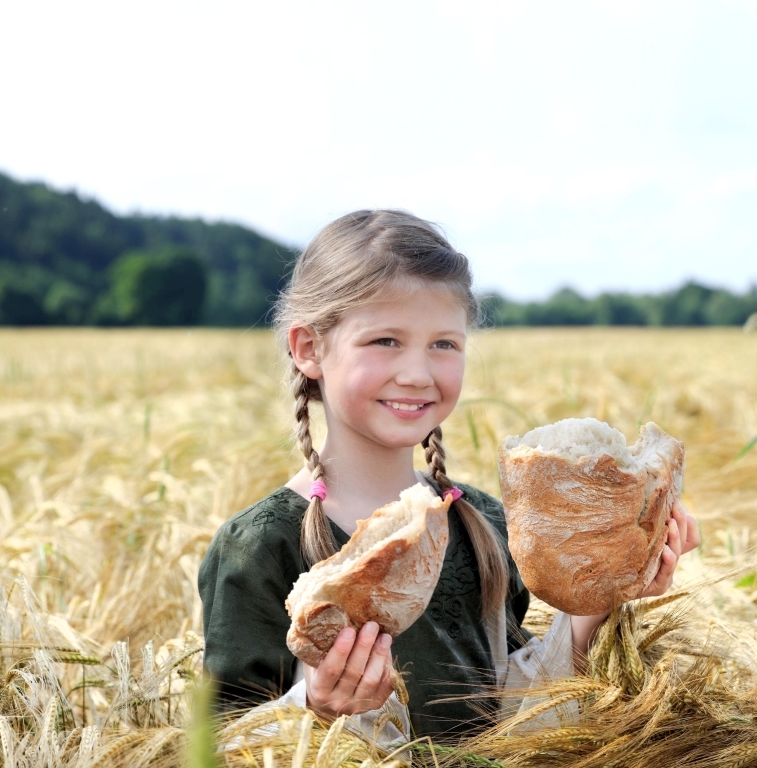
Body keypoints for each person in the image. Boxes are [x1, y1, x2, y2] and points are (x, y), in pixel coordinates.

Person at [198, 209, 699, 743]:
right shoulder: (259, 545)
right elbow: (223, 741)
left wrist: (600, 599)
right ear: (309, 349)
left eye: (444, 344)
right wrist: (318, 708)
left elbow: (513, 710)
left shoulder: (483, 522)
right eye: (385, 341)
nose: (417, 373)